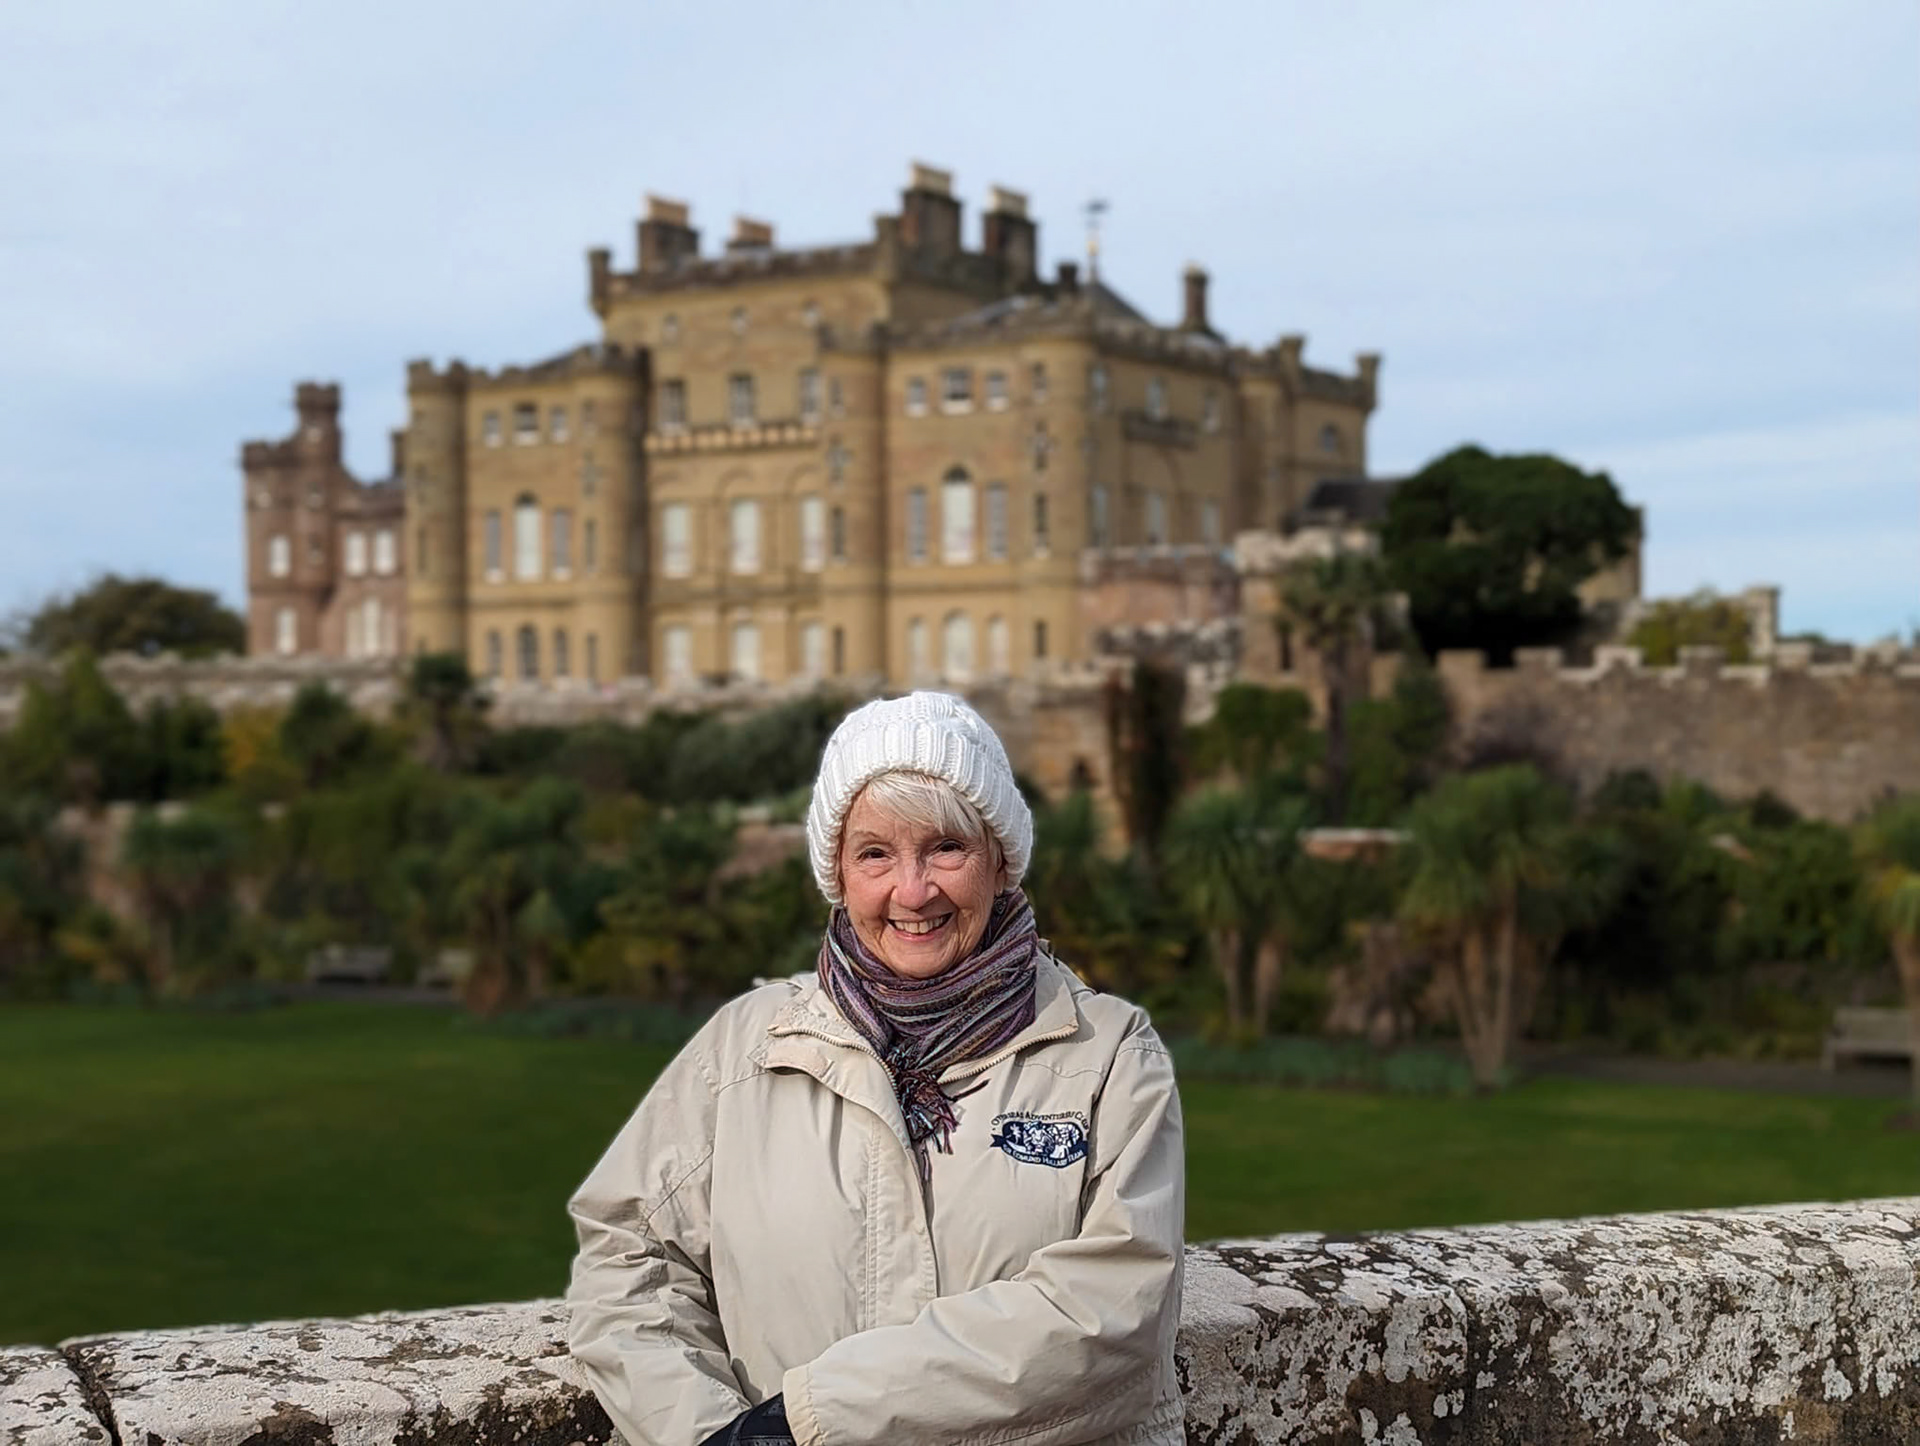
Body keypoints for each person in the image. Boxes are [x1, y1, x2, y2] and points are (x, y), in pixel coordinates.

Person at [566, 691, 1185, 1446]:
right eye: (875, 854)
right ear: (839, 872)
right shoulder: (744, 1048)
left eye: (946, 848)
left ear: (999, 861)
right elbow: (627, 1254)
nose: (913, 890)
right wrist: (710, 1436)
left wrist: (803, 1425)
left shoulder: (1110, 1055)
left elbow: (1114, 1314)